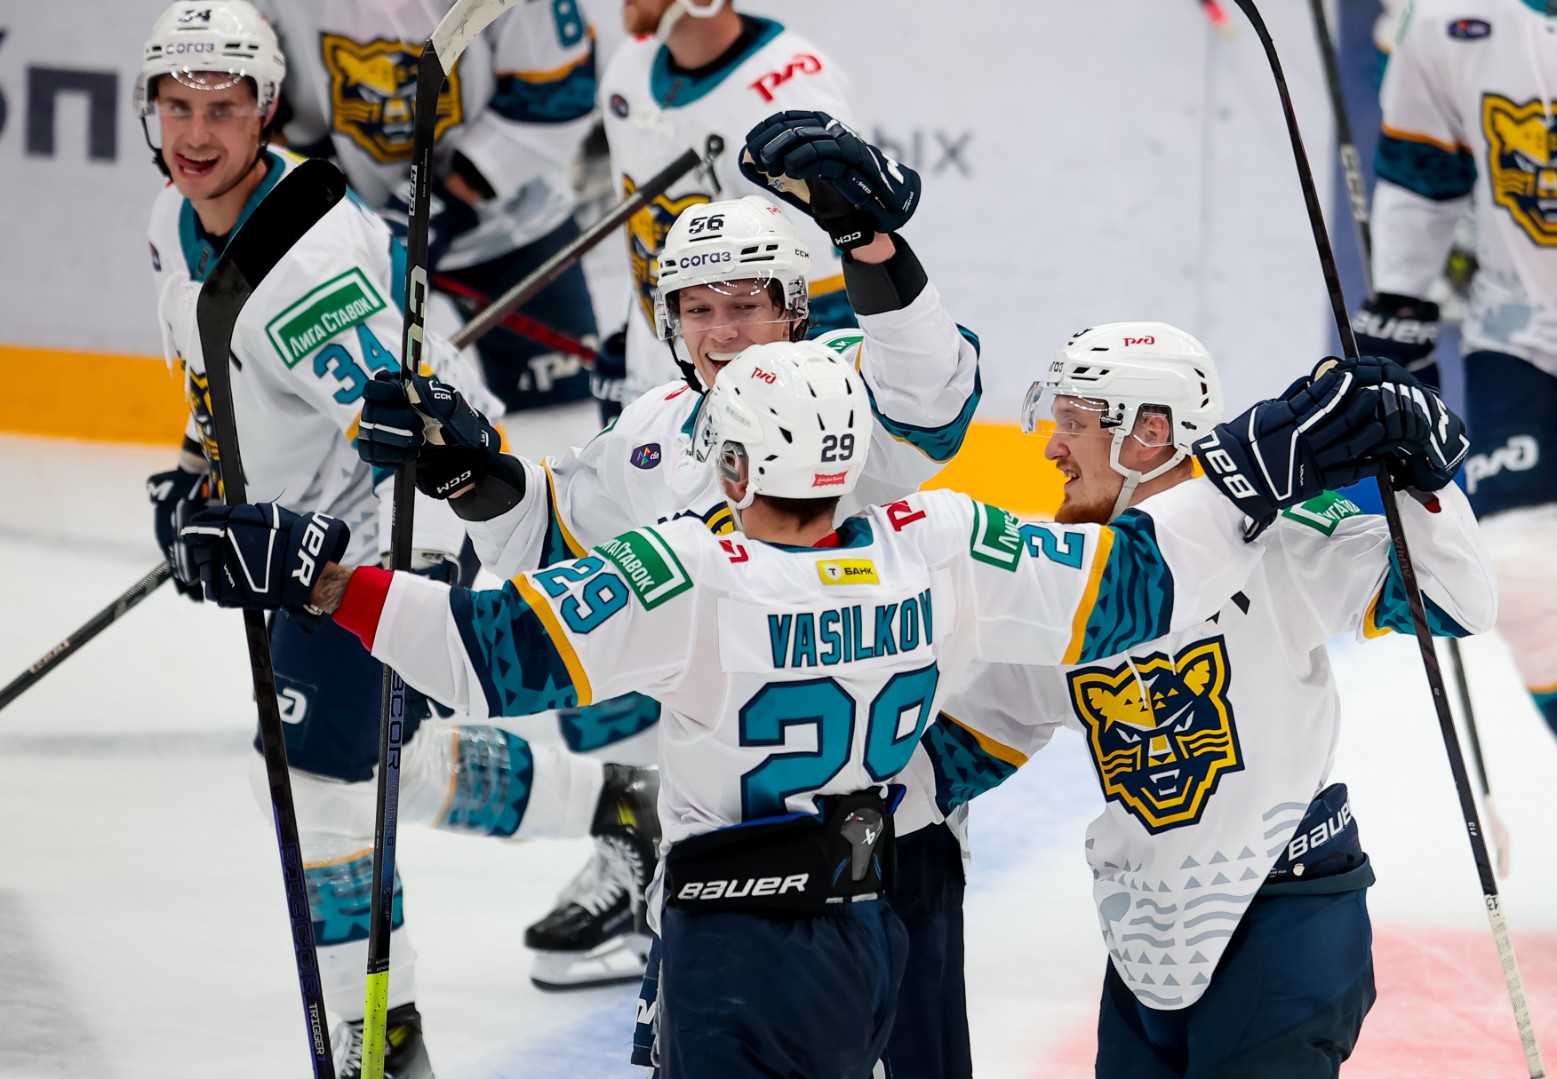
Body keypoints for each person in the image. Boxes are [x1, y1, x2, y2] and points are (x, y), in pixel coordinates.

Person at [175, 328, 1408, 1078]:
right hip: (867, 931)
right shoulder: (939, 543)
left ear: (728, 461)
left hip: (733, 942)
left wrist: (321, 576)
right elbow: (1141, 584)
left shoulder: (690, 572)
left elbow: (482, 654)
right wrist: (1248, 464)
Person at [133, 5, 656, 1076]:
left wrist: (350, 572)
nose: (197, 133)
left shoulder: (304, 275)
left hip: (369, 545)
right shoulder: (172, 216)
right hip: (297, 532)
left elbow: (423, 442)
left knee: (316, 780)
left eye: (222, 109)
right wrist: (195, 472)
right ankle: (625, 805)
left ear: (265, 111)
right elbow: (214, 378)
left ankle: (382, 1033)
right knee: (363, 766)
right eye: (177, 106)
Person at [359, 113, 966, 1003]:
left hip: (880, 842)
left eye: (746, 304)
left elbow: (926, 404)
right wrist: (468, 470)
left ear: (796, 308)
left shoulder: (837, 382)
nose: (720, 333)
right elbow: (553, 536)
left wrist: (868, 243)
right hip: (718, 853)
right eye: (697, 308)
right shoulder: (658, 428)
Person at [921, 324, 1492, 1076]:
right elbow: (964, 745)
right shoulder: (1071, 582)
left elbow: (1455, 602)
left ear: (1148, 433)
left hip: (1287, 910)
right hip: (1147, 928)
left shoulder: (1285, 542)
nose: (1052, 447)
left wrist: (1426, 484)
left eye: (1073, 424)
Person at [1353, 0, 1557, 743]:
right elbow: (1421, 169)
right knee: (1524, 571)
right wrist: (1399, 301)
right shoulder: (1452, 20)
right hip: (1520, 325)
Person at [254, 0, 601, 415]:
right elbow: (256, 100)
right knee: (364, 414)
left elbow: (561, 90)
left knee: (561, 416)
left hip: (515, 227)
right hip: (359, 228)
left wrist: (443, 199)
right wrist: (336, 196)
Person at [594, 0, 870, 414]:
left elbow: (823, 287)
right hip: (660, 383)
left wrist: (808, 398)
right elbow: (649, 235)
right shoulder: (629, 65)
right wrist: (636, 329)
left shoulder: (793, 94)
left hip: (755, 400)